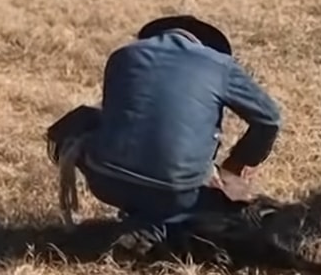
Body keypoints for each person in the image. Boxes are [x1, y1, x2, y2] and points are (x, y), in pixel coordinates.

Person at [47, 15, 283, 240]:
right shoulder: (219, 65)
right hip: (180, 193)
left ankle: (142, 219)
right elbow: (269, 119)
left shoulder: (122, 55)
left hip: (107, 182)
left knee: (81, 119)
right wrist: (237, 163)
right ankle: (162, 224)